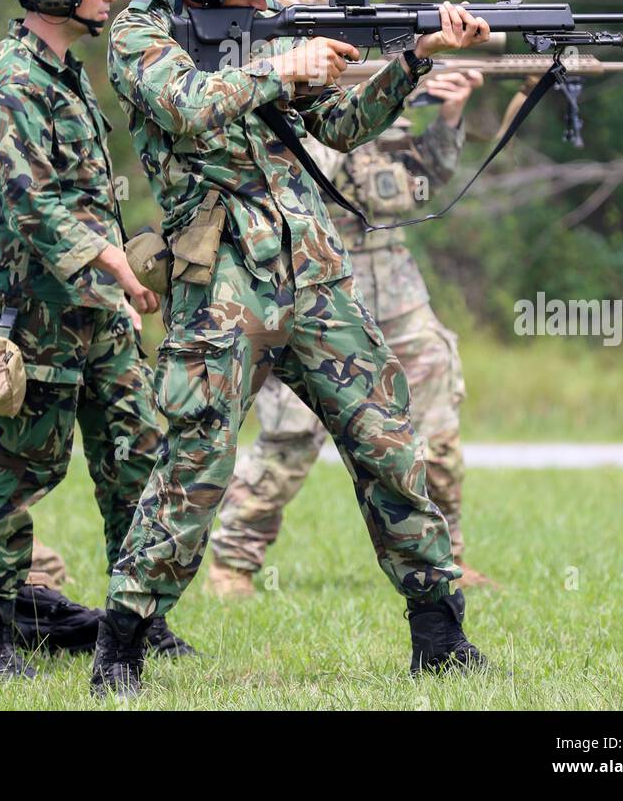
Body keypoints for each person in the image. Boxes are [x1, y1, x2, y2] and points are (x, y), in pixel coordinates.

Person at [89, 0, 492, 697]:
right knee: (195, 459)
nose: (265, 4)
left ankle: (441, 638)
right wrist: (280, 64)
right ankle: (123, 646)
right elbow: (183, 107)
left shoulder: (261, 33)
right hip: (222, 278)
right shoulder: (143, 33)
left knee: (386, 438)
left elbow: (341, 127)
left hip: (311, 266)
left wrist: (413, 59)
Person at [0, 0, 191, 676]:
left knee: (137, 458)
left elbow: (85, 203)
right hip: (43, 319)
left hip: (100, 313)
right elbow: (34, 208)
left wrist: (121, 285)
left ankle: (137, 622)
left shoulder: (63, 77)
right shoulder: (5, 78)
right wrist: (117, 270)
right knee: (21, 470)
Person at [207, 68, 500, 595]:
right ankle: (234, 562)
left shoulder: (389, 109)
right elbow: (300, 176)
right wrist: (345, 105)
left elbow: (420, 183)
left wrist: (448, 116)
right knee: (290, 438)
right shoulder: (288, 102)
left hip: (397, 292)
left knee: (436, 434)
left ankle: (447, 557)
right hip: (318, 287)